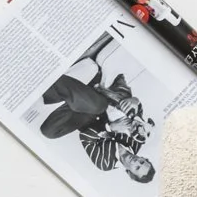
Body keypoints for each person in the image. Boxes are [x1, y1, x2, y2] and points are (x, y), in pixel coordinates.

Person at [40, 31, 156, 180]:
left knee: (48, 132)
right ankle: (49, 79)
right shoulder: (136, 141)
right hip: (98, 102)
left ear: (129, 173)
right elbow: (136, 112)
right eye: (142, 161)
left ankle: (60, 90)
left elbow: (85, 137)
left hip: (82, 117)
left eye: (137, 167)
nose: (136, 161)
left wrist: (111, 128)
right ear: (144, 158)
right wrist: (136, 100)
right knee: (99, 106)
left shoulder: (105, 164)